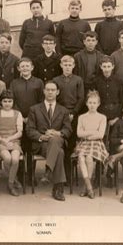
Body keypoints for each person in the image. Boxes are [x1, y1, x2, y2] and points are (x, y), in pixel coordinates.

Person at [27, 81, 72, 201]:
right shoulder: (34, 109)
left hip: (58, 141)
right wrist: (42, 136)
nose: (50, 92)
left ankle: (48, 172)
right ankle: (58, 188)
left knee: (56, 139)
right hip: (42, 144)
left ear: (57, 92)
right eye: (48, 89)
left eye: (53, 90)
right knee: (60, 153)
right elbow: (30, 130)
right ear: (44, 91)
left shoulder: (64, 110)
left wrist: (58, 133)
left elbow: (68, 130)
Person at [9, 57, 44, 184]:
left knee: (30, 148)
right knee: (19, 147)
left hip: (33, 119)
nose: (25, 68)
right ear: (18, 68)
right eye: (22, 66)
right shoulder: (14, 83)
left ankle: (30, 175)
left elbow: (41, 101)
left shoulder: (39, 82)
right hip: (18, 118)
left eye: (27, 66)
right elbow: (11, 100)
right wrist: (20, 116)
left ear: (32, 67)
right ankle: (20, 175)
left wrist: (31, 116)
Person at [53, 55, 85, 184]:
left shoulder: (78, 80)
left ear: (73, 66)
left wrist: (74, 112)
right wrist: (63, 113)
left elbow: (81, 98)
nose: (67, 67)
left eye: (70, 64)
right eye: (65, 64)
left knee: (71, 146)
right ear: (61, 65)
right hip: (60, 115)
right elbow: (54, 98)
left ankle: (70, 175)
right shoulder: (56, 80)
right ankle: (61, 176)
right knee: (61, 144)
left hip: (73, 115)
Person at [74, 91, 108, 199]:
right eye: (90, 102)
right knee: (80, 156)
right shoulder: (82, 117)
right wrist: (92, 132)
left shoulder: (102, 117)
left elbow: (101, 135)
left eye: (94, 103)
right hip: (83, 143)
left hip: (97, 143)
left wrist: (87, 134)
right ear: (86, 103)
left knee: (89, 157)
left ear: (98, 104)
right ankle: (89, 186)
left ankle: (86, 187)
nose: (92, 105)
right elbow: (79, 133)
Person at [0, 90, 24, 196]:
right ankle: (13, 182)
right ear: (1, 102)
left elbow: (19, 132)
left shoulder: (17, 114)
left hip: (14, 141)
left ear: (13, 102)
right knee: (7, 158)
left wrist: (9, 139)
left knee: (15, 158)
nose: (7, 103)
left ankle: (10, 182)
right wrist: (2, 140)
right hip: (0, 142)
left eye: (10, 101)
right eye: (5, 101)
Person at [94, 55, 123, 126]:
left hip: (115, 114)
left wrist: (117, 117)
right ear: (101, 67)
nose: (107, 69)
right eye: (104, 66)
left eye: (108, 66)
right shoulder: (96, 81)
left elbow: (122, 100)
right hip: (101, 113)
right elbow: (94, 100)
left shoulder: (119, 81)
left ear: (113, 66)